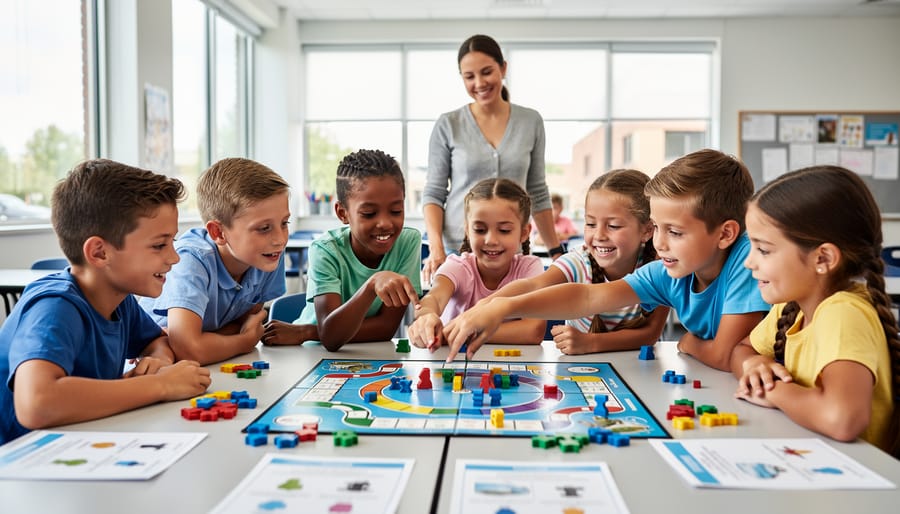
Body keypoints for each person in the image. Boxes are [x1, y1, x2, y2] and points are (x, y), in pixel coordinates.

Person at [443, 149, 771, 371]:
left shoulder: (747, 260)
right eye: (657, 228)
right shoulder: (665, 272)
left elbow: (723, 353)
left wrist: (689, 343)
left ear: (726, 234)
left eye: (675, 231)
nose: (660, 242)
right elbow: (587, 296)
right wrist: (500, 307)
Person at [0, 159, 211, 445]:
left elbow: (157, 340)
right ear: (99, 253)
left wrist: (157, 360)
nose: (174, 257)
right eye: (160, 245)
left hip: (76, 447)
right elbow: (36, 403)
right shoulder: (55, 307)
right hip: (17, 464)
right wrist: (160, 384)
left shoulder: (119, 300)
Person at [731, 165, 900, 457]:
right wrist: (754, 366)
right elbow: (741, 350)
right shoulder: (792, 306)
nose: (749, 263)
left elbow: (843, 420)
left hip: (860, 482)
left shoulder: (843, 313)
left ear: (823, 258)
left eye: (764, 250)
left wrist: (772, 391)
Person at [422, 34, 563, 284]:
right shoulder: (448, 124)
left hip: (509, 245)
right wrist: (437, 249)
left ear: (503, 68)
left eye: (486, 72)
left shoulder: (531, 121)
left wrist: (555, 252)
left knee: (510, 318)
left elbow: (537, 192)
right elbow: (433, 193)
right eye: (469, 76)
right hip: (458, 246)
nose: (479, 83)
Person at [483, 169, 670, 355]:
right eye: (590, 224)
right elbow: (534, 285)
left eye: (613, 226)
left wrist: (591, 343)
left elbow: (650, 333)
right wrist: (483, 310)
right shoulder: (578, 262)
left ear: (647, 230)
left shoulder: (661, 268)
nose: (599, 235)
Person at [263, 149, 421, 351]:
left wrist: (306, 331)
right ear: (342, 213)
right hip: (308, 351)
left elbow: (386, 328)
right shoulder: (325, 250)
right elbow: (331, 337)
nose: (385, 223)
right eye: (369, 213)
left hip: (360, 350)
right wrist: (372, 285)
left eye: (396, 211)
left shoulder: (408, 242)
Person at [140, 158, 289, 365]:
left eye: (284, 223)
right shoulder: (191, 261)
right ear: (218, 232)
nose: (280, 239)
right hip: (153, 364)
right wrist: (243, 342)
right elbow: (188, 350)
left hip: (212, 364)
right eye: (264, 228)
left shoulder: (268, 255)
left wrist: (206, 341)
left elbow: (247, 322)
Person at [408, 178, 546, 350]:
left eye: (504, 230)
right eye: (480, 230)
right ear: (467, 231)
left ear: (524, 232)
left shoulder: (530, 268)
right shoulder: (457, 267)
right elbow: (434, 298)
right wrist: (426, 317)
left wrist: (463, 331)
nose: (491, 240)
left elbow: (533, 330)